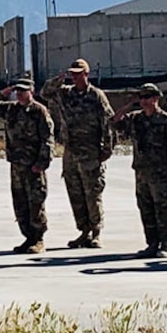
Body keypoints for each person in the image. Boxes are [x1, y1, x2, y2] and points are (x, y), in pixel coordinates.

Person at [40, 59, 114, 248]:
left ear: (86, 74)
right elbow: (45, 93)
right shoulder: (65, 93)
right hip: (71, 151)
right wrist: (58, 80)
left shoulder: (96, 96)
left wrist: (107, 149)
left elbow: (108, 123)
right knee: (75, 193)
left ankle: (96, 231)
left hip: (90, 151)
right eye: (72, 73)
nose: (74, 77)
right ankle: (84, 231)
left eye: (78, 73)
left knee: (92, 192)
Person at [112, 84, 167, 258]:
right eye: (142, 98)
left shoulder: (166, 120)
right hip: (142, 172)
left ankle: (166, 244)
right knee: (146, 208)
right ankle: (152, 243)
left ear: (156, 98)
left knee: (164, 208)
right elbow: (114, 121)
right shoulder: (136, 119)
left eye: (148, 97)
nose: (144, 101)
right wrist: (129, 104)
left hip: (161, 172)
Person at [0, 79, 55, 253]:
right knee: (20, 202)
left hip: (33, 166)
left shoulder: (39, 111)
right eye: (17, 91)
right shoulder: (11, 109)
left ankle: (38, 238)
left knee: (36, 202)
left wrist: (42, 162)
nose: (20, 94)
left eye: (23, 91)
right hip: (16, 166)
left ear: (31, 91)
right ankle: (28, 237)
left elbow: (48, 139)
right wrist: (3, 93)